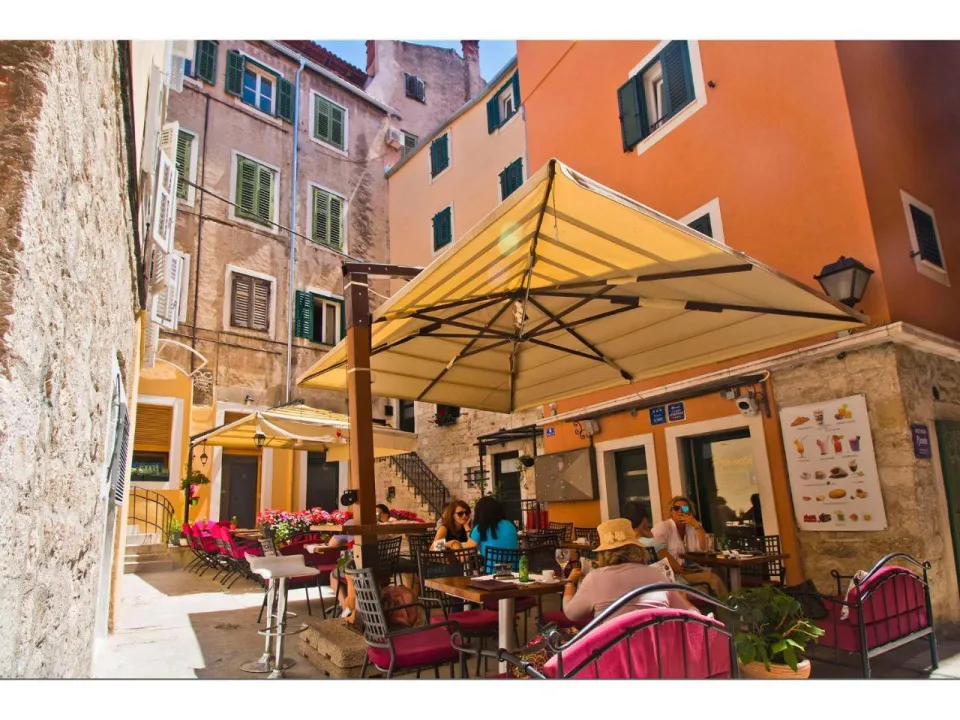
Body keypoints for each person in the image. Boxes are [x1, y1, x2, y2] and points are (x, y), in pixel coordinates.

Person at [562, 518, 699, 623]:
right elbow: (693, 615)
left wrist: (569, 582)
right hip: (653, 649)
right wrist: (683, 598)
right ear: (637, 548)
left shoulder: (595, 578)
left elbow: (571, 613)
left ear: (603, 553)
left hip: (613, 650)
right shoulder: (657, 575)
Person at [643, 495, 727, 597]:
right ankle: (727, 605)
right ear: (671, 511)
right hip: (674, 574)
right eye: (676, 508)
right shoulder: (663, 527)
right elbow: (658, 553)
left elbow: (705, 548)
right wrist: (676, 568)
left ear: (690, 512)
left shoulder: (691, 527)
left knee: (718, 572)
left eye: (685, 508)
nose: (680, 511)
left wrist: (696, 525)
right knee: (715, 579)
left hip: (690, 569)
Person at [470, 495, 518, 571]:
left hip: (492, 572)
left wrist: (454, 543)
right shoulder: (510, 525)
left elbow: (467, 550)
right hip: (513, 570)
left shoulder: (480, 528)